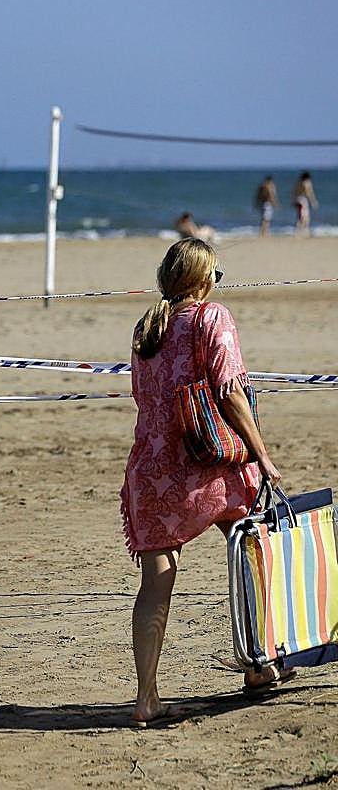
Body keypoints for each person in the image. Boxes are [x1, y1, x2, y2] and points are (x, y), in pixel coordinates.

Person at [120, 239, 288, 728]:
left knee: (157, 582)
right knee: (252, 554)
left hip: (151, 468)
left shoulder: (146, 327)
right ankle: (258, 664)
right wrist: (262, 452)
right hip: (210, 464)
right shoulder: (212, 318)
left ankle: (146, 697)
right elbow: (231, 392)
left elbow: (141, 396)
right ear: (203, 277)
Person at [292, 171, 319, 237]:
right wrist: (313, 201)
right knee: (305, 217)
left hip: (297, 199)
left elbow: (294, 192)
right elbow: (309, 193)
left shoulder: (298, 182)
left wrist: (293, 201)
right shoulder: (307, 183)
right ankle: (304, 231)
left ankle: (298, 231)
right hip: (303, 200)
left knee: (300, 217)